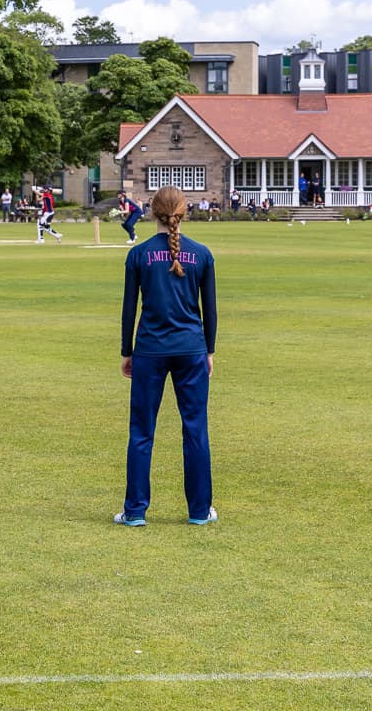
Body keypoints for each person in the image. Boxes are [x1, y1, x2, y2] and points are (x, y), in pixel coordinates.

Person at [115, 185, 218, 528]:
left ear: (151, 211)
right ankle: (200, 511)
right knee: (195, 430)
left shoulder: (139, 255)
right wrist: (210, 351)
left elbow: (129, 309)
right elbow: (210, 311)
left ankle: (135, 511)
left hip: (150, 350)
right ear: (183, 212)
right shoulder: (201, 254)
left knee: (142, 431)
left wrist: (127, 352)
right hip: (191, 349)